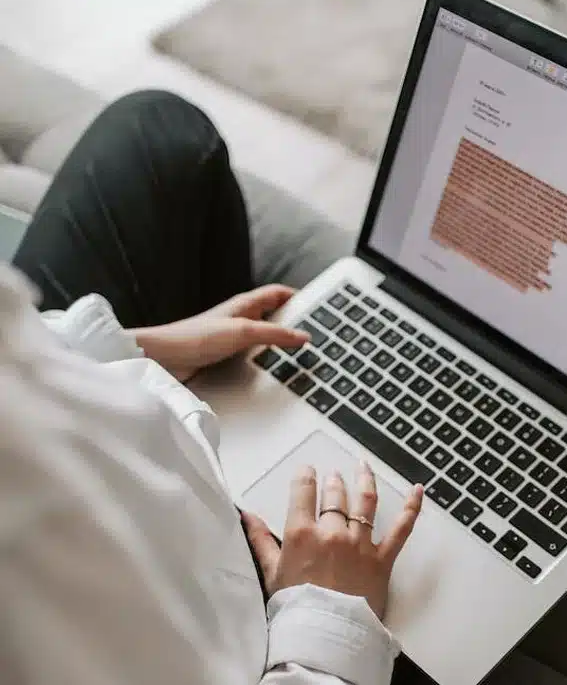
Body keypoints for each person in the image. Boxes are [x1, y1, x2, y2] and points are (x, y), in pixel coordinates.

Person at [1, 91, 428, 685]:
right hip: (231, 628)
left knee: (156, 128)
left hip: (96, 414)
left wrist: (133, 349)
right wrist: (327, 618)